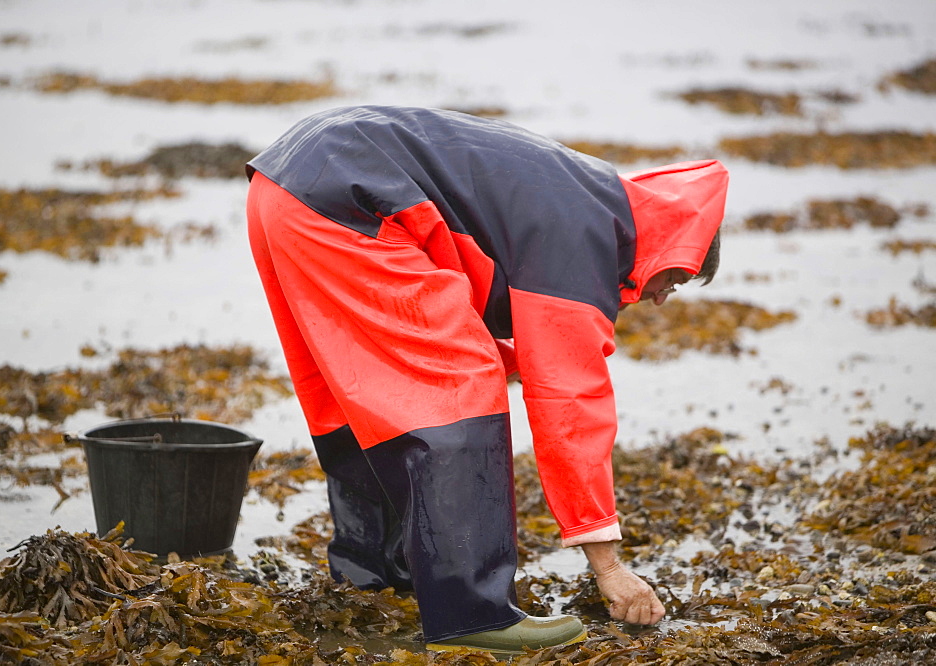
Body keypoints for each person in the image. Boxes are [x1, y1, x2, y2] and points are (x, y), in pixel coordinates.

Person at [245, 105, 728, 655]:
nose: (662, 298)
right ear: (668, 245)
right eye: (679, 278)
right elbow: (571, 406)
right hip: (347, 197)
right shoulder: (585, 243)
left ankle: (374, 574)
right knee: (461, 382)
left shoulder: (586, 201)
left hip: (284, 184)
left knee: (355, 379)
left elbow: (475, 280)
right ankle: (472, 612)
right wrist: (609, 566)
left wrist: (518, 359)